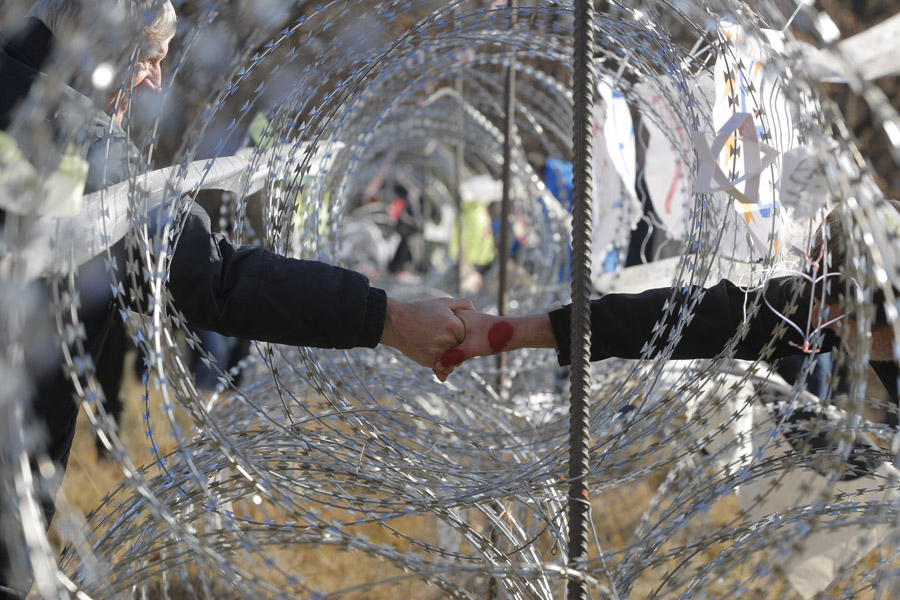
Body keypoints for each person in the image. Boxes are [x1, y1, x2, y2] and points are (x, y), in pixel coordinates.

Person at [0, 1, 471, 596]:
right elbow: (213, 276)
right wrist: (390, 318)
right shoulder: (79, 144)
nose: (154, 80)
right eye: (149, 58)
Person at [433, 201, 900, 410]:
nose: (819, 322)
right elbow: (686, 317)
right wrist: (509, 332)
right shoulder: (827, 308)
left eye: (839, 311)